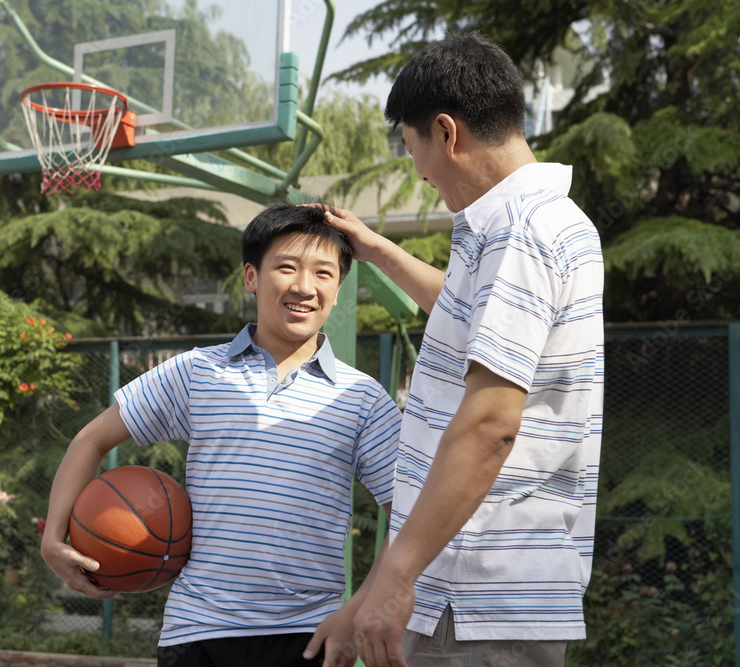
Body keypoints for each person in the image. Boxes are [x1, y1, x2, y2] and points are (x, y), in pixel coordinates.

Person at [312, 31, 605, 667]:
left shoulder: (521, 232)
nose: (420, 175)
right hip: (476, 589)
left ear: (447, 133)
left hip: (471, 594)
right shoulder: (538, 222)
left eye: (417, 153)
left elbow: (489, 427)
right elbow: (474, 311)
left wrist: (394, 579)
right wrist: (382, 251)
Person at [40, 203, 403, 667]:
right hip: (198, 629)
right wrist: (54, 538)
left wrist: (358, 611)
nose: (303, 287)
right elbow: (89, 440)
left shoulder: (362, 397)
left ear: (338, 287)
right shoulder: (198, 371)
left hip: (308, 633)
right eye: (286, 267)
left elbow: (406, 512)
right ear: (251, 277)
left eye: (323, 273)